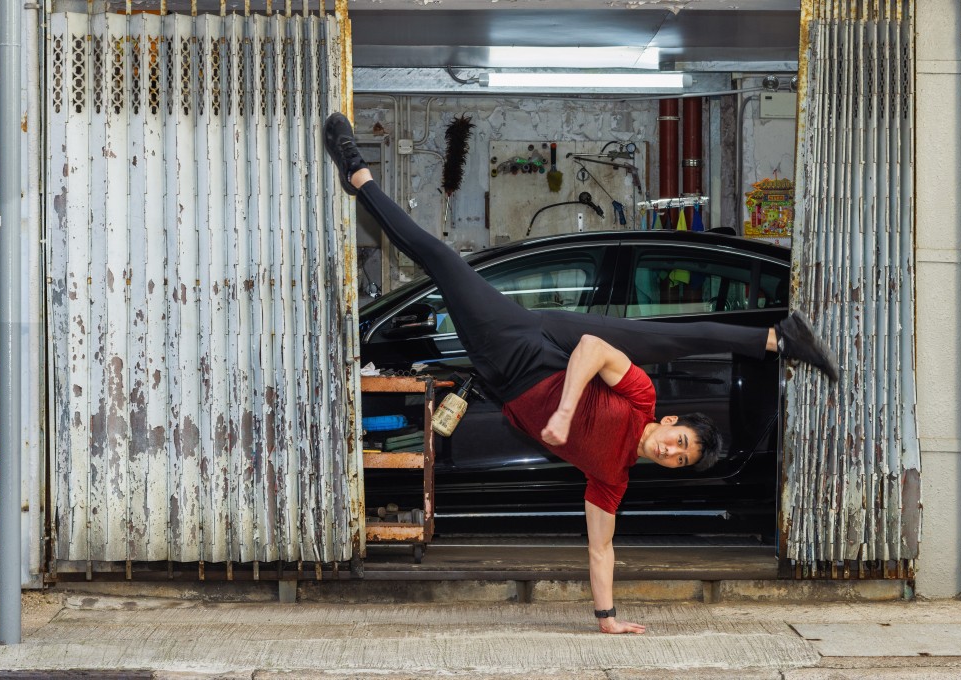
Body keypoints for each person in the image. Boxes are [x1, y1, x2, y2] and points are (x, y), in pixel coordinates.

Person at [324, 112, 838, 634]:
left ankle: (777, 338)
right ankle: (360, 174)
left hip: (504, 375)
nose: (671, 451)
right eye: (679, 440)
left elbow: (601, 546)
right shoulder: (642, 399)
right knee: (442, 259)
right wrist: (566, 413)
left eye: (680, 460)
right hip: (530, 344)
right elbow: (591, 345)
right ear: (670, 421)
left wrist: (607, 617)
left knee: (665, 338)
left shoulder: (611, 480)